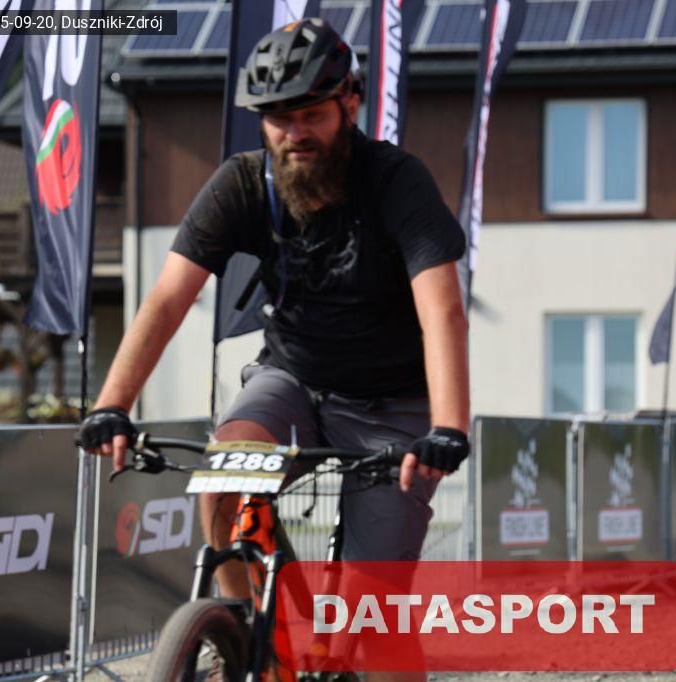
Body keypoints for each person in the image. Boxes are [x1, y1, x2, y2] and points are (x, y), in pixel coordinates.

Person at [78, 18, 469, 680]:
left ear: (351, 102)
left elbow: (443, 310)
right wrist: (111, 405)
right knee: (223, 478)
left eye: (312, 115)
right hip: (292, 381)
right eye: (278, 119)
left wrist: (448, 427)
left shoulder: (396, 180)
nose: (295, 134)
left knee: (375, 618)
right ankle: (250, 641)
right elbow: (167, 299)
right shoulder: (242, 183)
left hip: (392, 406)